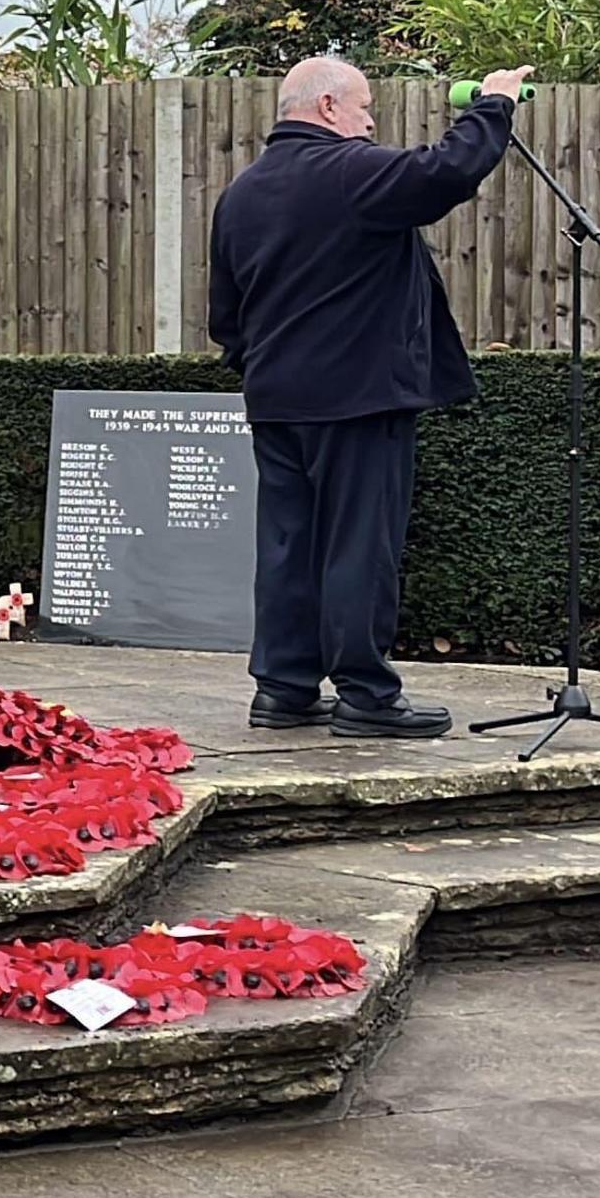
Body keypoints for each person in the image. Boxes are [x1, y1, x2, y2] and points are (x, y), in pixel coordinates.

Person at [206, 56, 533, 737]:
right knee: (360, 544)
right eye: (364, 107)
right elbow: (444, 172)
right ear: (328, 107)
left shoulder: (240, 194)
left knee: (288, 545)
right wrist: (494, 106)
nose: (370, 120)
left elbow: (225, 318)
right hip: (359, 397)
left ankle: (284, 689)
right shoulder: (349, 171)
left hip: (276, 400)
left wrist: (265, 367)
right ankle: (365, 693)